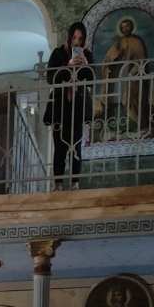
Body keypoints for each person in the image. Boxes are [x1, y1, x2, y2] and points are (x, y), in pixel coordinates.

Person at [44, 22, 92, 185]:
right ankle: (58, 184)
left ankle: (75, 183)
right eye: (74, 38)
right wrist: (68, 66)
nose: (76, 42)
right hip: (60, 106)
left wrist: (86, 65)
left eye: (80, 38)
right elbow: (50, 78)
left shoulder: (87, 54)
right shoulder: (58, 53)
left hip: (77, 106)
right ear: (69, 37)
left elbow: (93, 80)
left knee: (76, 146)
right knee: (59, 146)